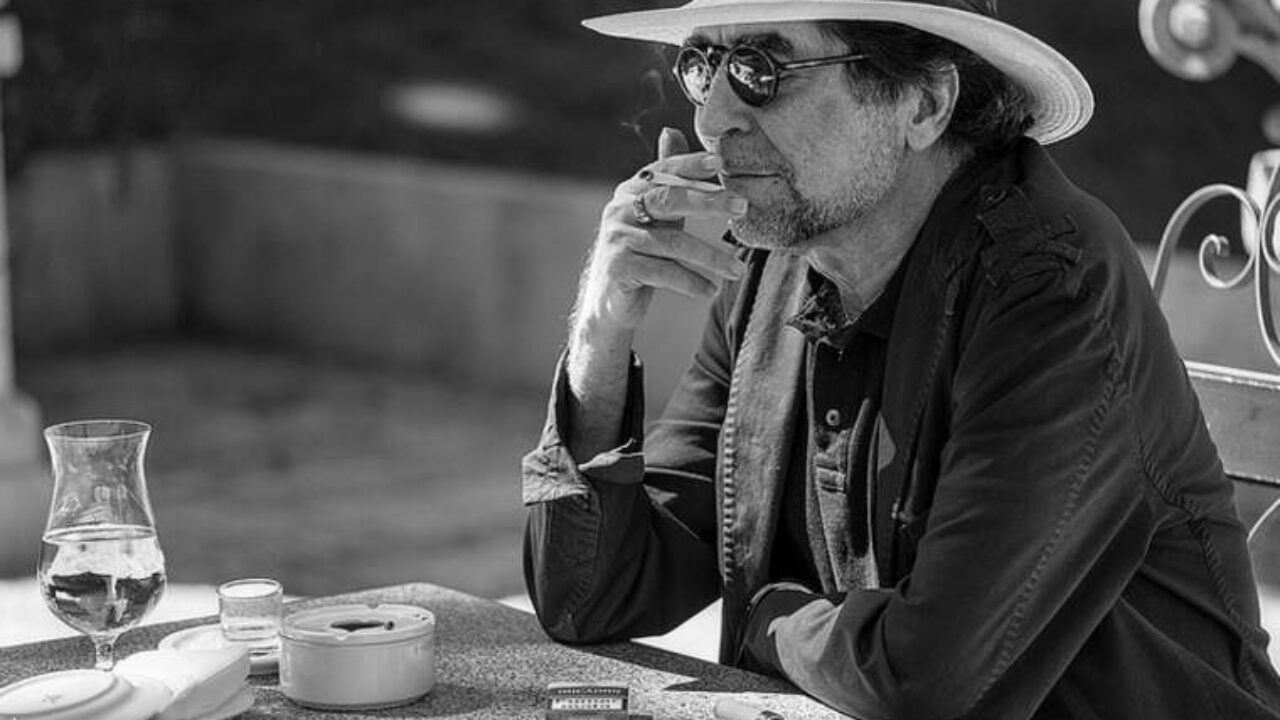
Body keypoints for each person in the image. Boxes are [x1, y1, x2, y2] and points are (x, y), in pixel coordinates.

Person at [520, 0, 1280, 717]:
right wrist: (601, 328)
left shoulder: (1050, 288)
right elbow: (590, 598)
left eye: (760, 69)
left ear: (923, 104)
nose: (713, 118)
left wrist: (765, 616)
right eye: (702, 65)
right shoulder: (774, 263)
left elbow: (925, 682)